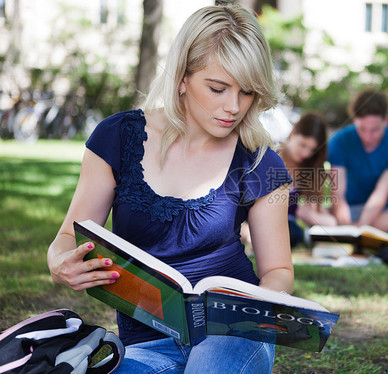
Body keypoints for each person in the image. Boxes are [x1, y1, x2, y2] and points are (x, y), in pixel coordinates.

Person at [47, 4, 294, 373]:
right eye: (218, 88)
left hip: (232, 334)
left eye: (246, 93)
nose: (233, 107)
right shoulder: (116, 137)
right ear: (182, 77)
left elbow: (278, 270)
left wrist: (254, 304)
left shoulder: (262, 163)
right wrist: (58, 264)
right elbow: (69, 237)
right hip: (147, 342)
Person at [327, 88, 388, 233]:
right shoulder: (339, 141)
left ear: (386, 120)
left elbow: (381, 192)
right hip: (348, 210)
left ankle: (353, 233)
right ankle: (365, 234)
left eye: (375, 130)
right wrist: (347, 223)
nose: (368, 137)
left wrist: (360, 228)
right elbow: (337, 194)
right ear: (354, 120)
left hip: (382, 211)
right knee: (310, 211)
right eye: (362, 129)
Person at [277, 112, 337, 246]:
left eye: (312, 150)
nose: (306, 154)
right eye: (303, 145)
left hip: (288, 227)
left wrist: (309, 214)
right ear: (293, 133)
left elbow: (315, 212)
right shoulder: (272, 155)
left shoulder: (309, 168)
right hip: (262, 221)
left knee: (294, 232)